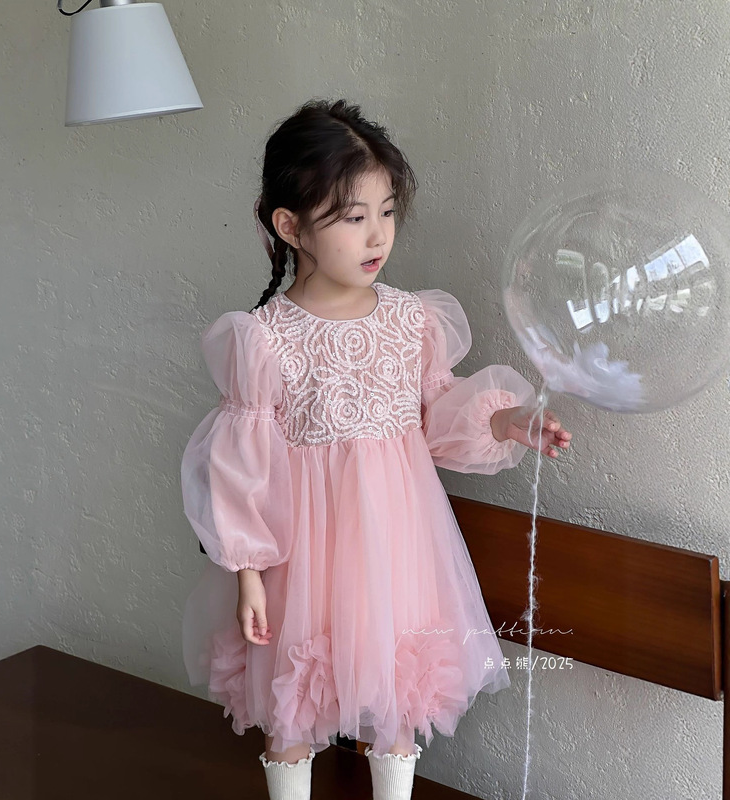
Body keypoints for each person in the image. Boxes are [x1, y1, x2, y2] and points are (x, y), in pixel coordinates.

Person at [180, 98, 572, 800]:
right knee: (292, 699)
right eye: (353, 217)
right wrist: (247, 571)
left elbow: (438, 416)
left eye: (387, 212)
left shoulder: (411, 320)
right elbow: (241, 465)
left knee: (397, 697)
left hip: (398, 548)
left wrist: (510, 420)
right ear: (290, 226)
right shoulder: (264, 339)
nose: (378, 234)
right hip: (301, 557)